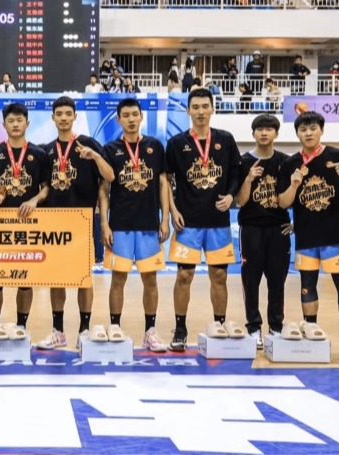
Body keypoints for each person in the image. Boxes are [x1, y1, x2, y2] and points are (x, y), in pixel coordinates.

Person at [278, 111, 339, 362]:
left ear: (321, 130)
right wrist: (294, 185)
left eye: (313, 128)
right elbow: (283, 203)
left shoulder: (338, 156)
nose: (308, 133)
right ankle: (311, 332)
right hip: (306, 238)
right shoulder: (290, 164)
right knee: (307, 285)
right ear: (297, 133)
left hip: (335, 236)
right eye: (303, 129)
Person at [165, 88, 242, 351]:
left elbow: (236, 174)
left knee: (219, 275)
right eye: (195, 107)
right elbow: (166, 180)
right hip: (187, 222)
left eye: (204, 106)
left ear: (212, 109)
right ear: (188, 110)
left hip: (218, 222)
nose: (200, 112)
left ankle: (219, 324)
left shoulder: (226, 139)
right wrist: (172, 210)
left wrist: (231, 196)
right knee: (184, 275)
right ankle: (180, 329)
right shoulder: (176, 143)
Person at [35, 96, 113, 350]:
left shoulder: (88, 144)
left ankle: (84, 330)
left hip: (81, 222)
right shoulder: (46, 150)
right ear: (53, 118)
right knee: (56, 279)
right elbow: (44, 188)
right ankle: (58, 331)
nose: (64, 118)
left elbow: (110, 176)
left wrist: (95, 157)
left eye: (68, 113)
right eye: (59, 114)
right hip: (54, 223)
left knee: (83, 278)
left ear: (75, 117)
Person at [98, 98, 171, 353]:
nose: (131, 119)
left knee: (150, 280)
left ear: (141, 117)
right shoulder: (110, 149)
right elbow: (104, 190)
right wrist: (104, 224)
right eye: (126, 115)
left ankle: (150, 331)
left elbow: (163, 183)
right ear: (119, 119)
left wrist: (165, 219)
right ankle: (115, 326)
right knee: (118, 279)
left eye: (134, 114)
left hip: (149, 225)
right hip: (120, 226)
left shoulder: (155, 146)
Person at [0, 103, 51, 340]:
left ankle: (21, 325)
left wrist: (34, 200)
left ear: (27, 123)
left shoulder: (39, 154)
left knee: (25, 279)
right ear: (4, 124)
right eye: (11, 120)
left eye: (20, 120)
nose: (16, 124)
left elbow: (46, 188)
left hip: (27, 225)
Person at [235, 114, 292, 349]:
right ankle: (253, 327)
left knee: (277, 281)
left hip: (279, 229)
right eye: (260, 129)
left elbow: (292, 197)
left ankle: (276, 327)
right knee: (251, 281)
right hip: (251, 228)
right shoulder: (243, 162)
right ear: (253, 133)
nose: (264, 132)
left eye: (269, 128)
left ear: (276, 133)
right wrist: (248, 179)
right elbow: (240, 201)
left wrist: (296, 222)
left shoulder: (285, 162)